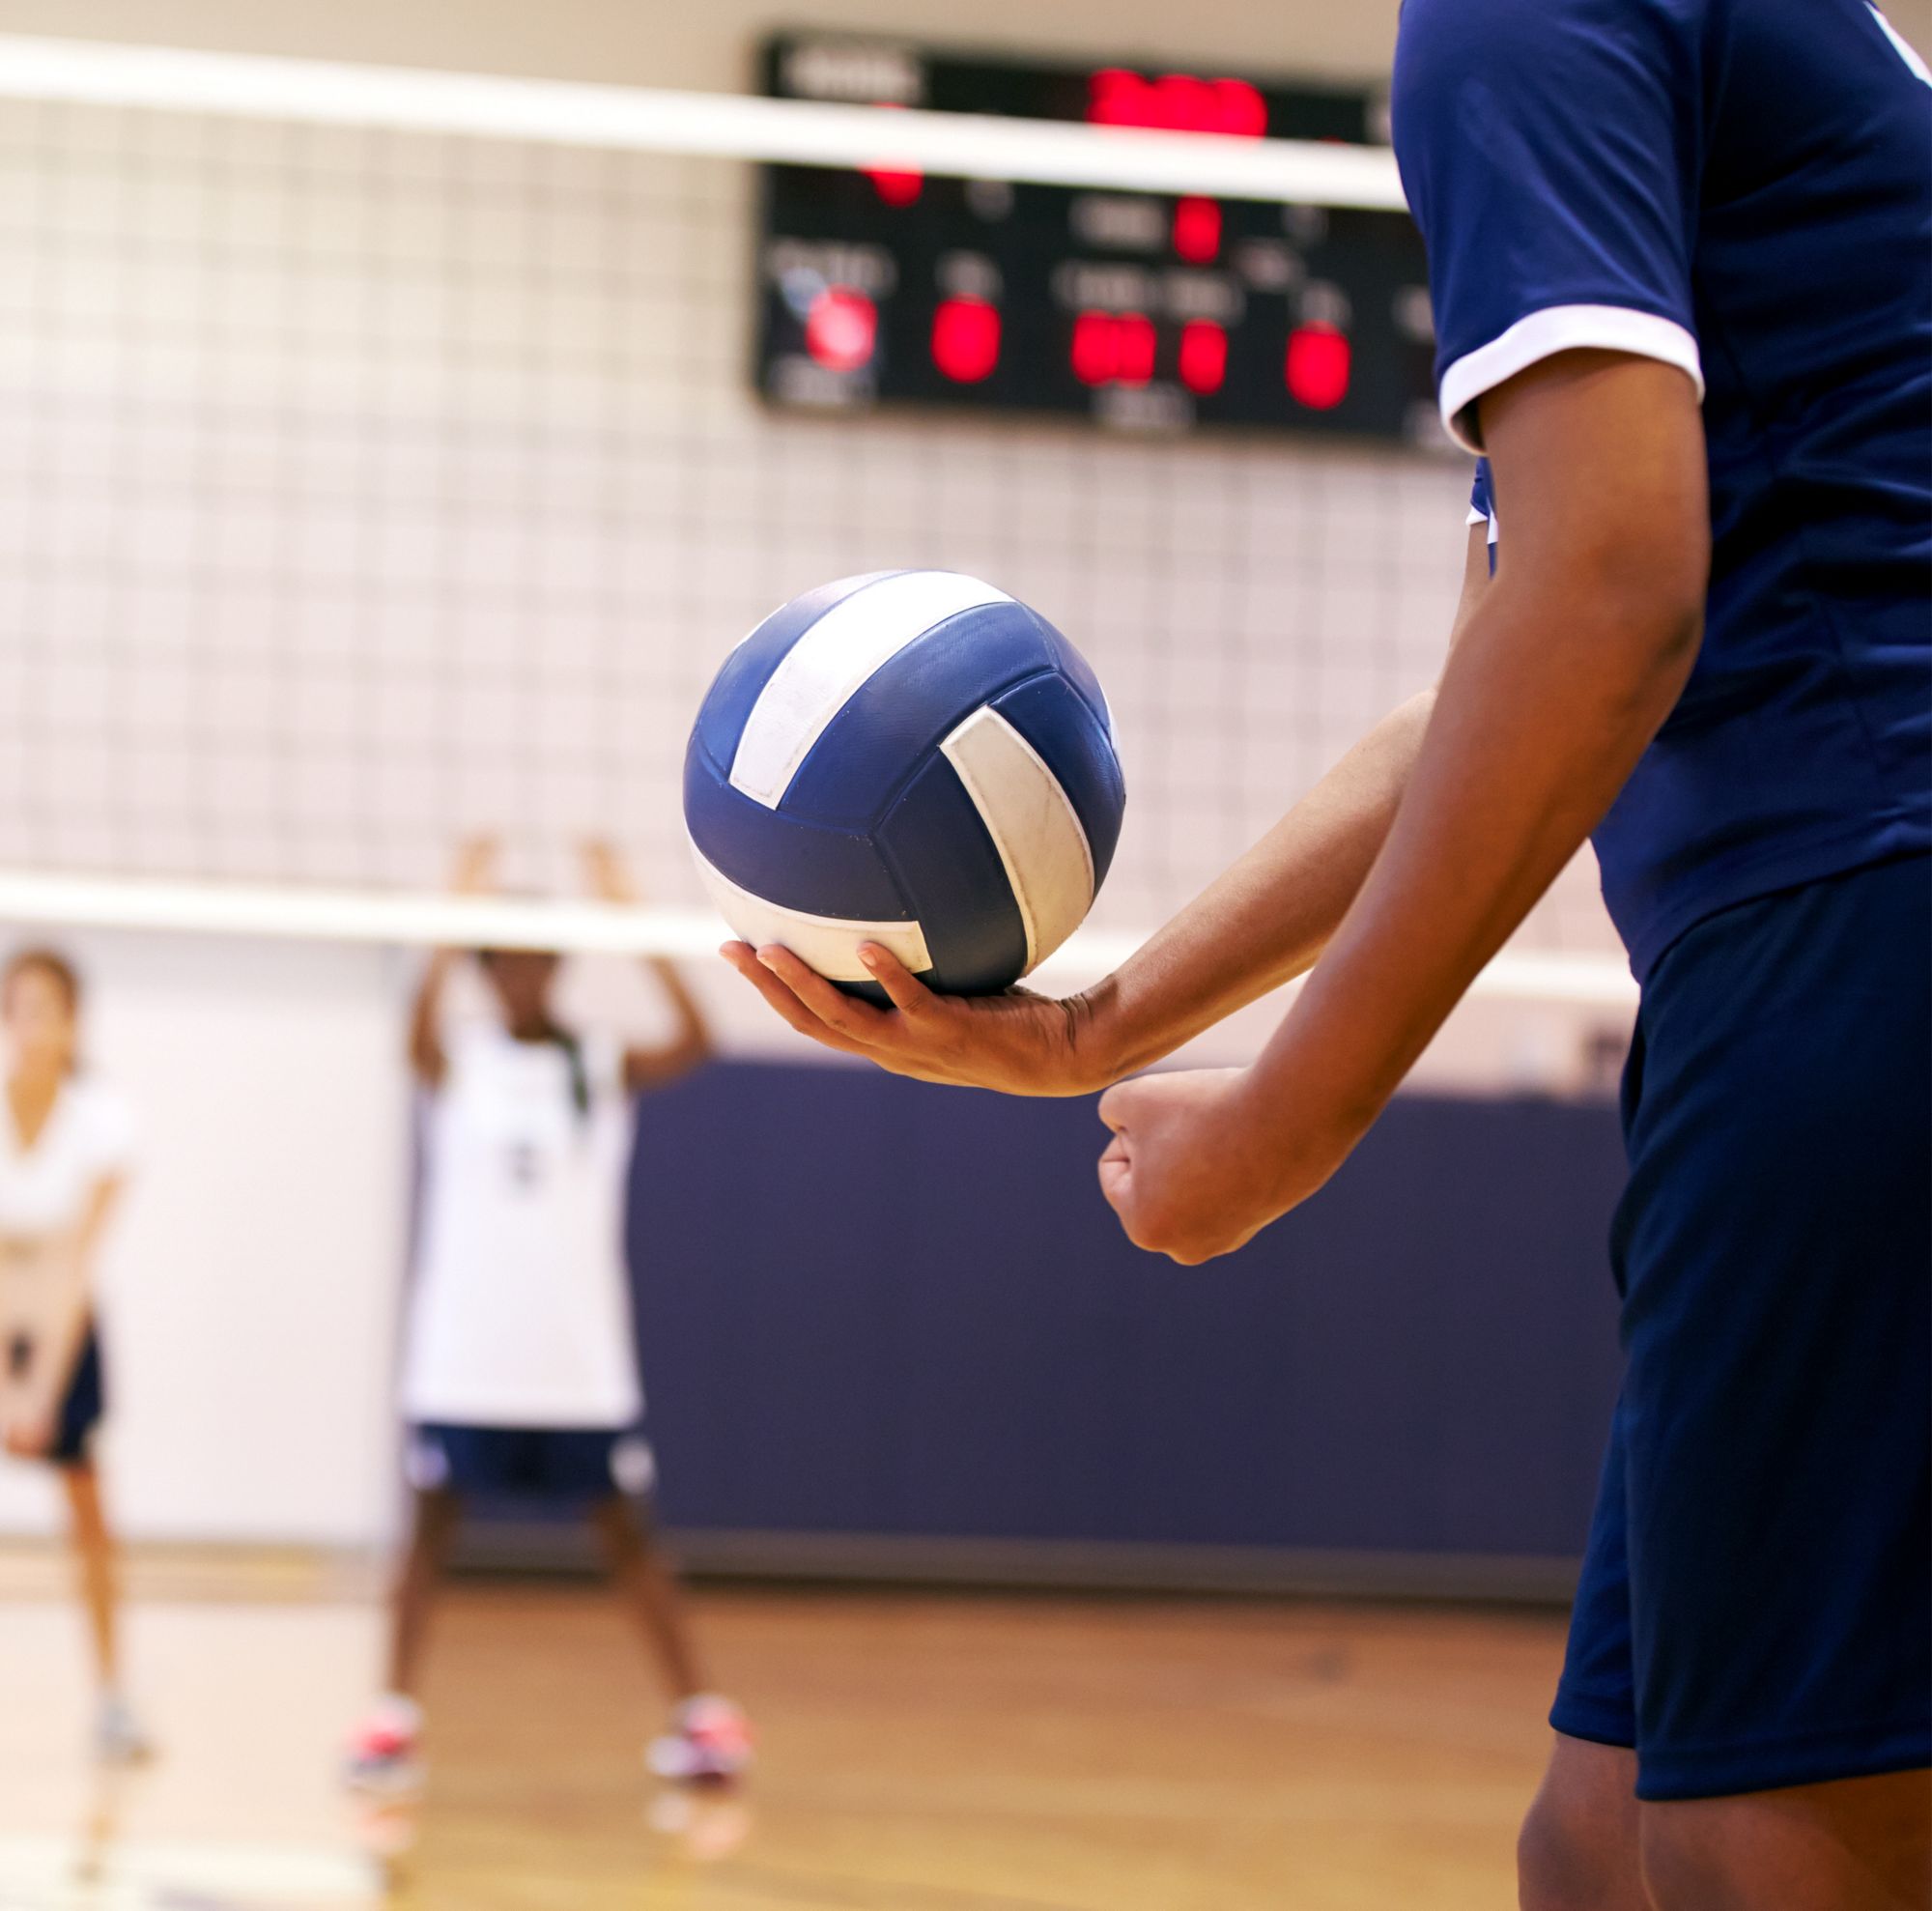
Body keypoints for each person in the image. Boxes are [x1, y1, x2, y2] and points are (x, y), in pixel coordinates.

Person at [722, 3, 1931, 1904]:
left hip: (1853, 928)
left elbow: (1616, 593)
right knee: (1599, 1841)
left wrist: (1287, 1119)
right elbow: (1506, 660)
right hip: (1805, 949)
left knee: (1756, 1852)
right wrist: (1097, 1025)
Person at [347, 839, 751, 1795]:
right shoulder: (461, 1060)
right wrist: (456, 905)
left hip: (576, 1364)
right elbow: (413, 1033)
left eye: (539, 954)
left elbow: (700, 1040)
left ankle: (701, 1719)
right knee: (428, 1538)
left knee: (628, 1541)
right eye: (506, 956)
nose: (524, 972)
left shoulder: (597, 1062)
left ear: (560, 964)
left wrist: (632, 917)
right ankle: (391, 1721)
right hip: (463, 1359)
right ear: (486, 970)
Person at [0, 947, 150, 1764]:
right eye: (17, 1007)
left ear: (72, 1022)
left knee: (89, 1514)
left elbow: (74, 1267)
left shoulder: (103, 1120)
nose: (30, 1026)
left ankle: (113, 1700)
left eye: (46, 1009)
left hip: (63, 1324)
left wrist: (38, 1389)